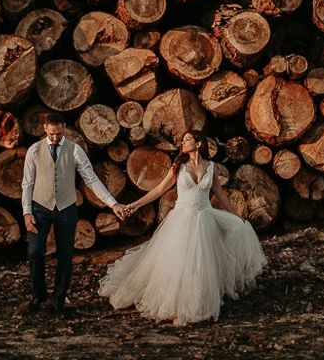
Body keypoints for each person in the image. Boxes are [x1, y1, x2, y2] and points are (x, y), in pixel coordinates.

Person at [98, 130, 267, 325]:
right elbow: (159, 189)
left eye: (187, 139)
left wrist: (237, 216)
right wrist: (135, 205)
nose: (183, 142)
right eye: (183, 139)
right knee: (179, 263)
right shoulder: (179, 166)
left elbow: (220, 194)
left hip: (205, 218)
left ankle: (196, 305)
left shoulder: (211, 167)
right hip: (182, 219)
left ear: (198, 144)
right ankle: (175, 306)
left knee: (201, 265)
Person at [22, 113, 127, 314]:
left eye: (59, 134)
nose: (55, 138)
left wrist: (112, 203)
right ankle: (39, 294)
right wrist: (27, 212)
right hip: (39, 207)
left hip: (66, 208)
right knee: (35, 251)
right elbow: (27, 183)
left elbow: (92, 179)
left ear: (64, 128)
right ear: (45, 129)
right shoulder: (34, 151)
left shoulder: (75, 150)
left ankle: (59, 298)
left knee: (65, 254)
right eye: (51, 134)